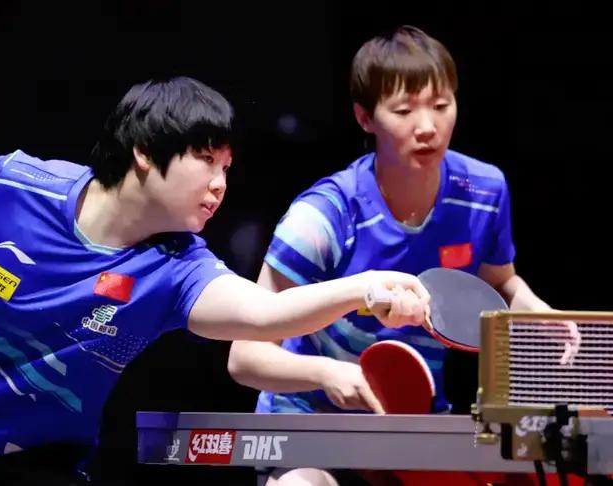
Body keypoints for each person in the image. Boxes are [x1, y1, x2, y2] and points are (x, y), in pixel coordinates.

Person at [0, 76, 431, 483]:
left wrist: (365, 287)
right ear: (144, 152)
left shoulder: (178, 268)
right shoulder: (7, 183)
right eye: (206, 159)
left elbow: (266, 312)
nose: (220, 184)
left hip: (33, 463)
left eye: (226, 168)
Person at [228, 25, 555, 486]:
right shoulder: (322, 216)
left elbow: (500, 284)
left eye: (441, 105)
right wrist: (327, 373)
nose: (428, 126)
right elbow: (245, 356)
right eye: (403, 110)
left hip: (410, 425)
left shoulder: (484, 192)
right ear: (365, 117)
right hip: (308, 422)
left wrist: (540, 315)